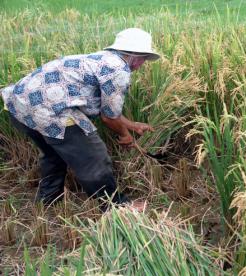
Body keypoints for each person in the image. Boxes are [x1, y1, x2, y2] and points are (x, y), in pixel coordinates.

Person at [0, 28, 159, 211]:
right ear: (131, 55)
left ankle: (48, 201)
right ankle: (117, 208)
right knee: (94, 157)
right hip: (50, 111)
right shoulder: (119, 70)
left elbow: (109, 110)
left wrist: (133, 125)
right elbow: (108, 118)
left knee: (53, 154)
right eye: (142, 59)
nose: (140, 65)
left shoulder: (101, 58)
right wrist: (126, 135)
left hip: (18, 105)